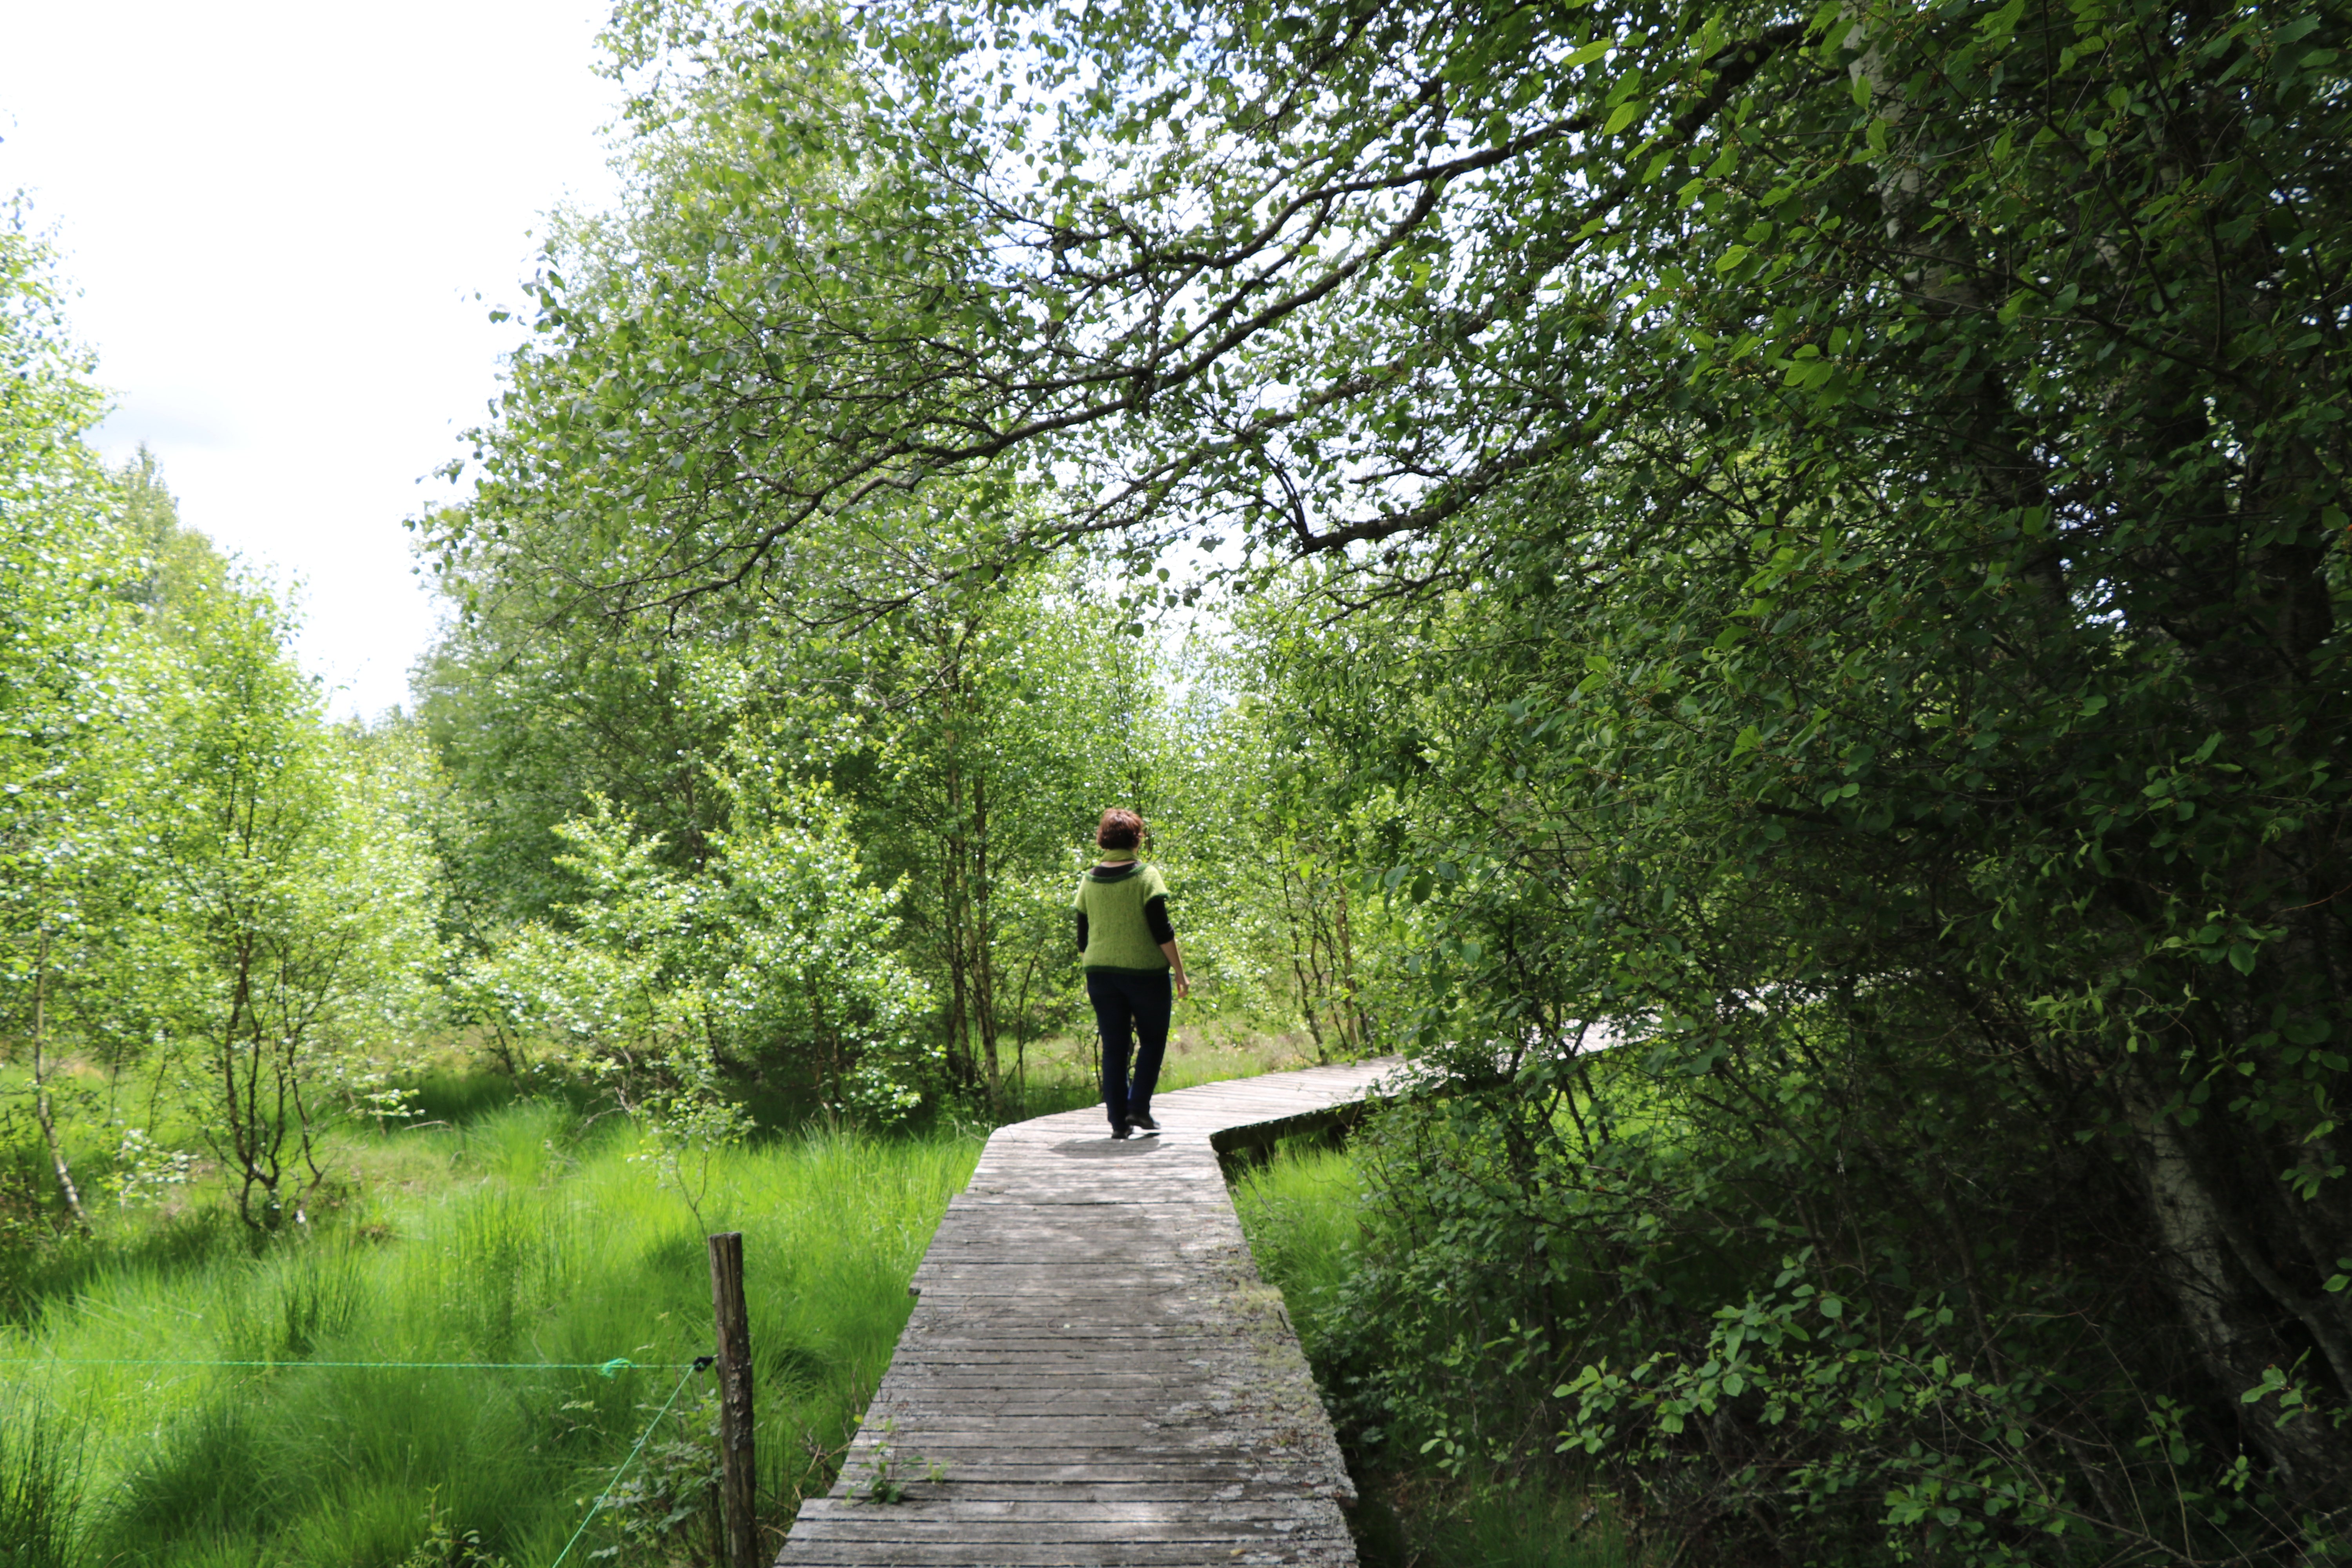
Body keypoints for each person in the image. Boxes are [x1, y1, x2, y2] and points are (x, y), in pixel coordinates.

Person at [1072, 808, 1189, 1140]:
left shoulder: (1088, 879)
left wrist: (1102, 962)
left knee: (1114, 1047)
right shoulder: (1146, 876)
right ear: (1137, 839)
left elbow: (1082, 939)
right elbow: (1161, 930)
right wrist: (1180, 972)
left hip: (1100, 973)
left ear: (1104, 839)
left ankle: (1118, 1122)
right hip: (1145, 974)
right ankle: (1138, 1108)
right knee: (1152, 1041)